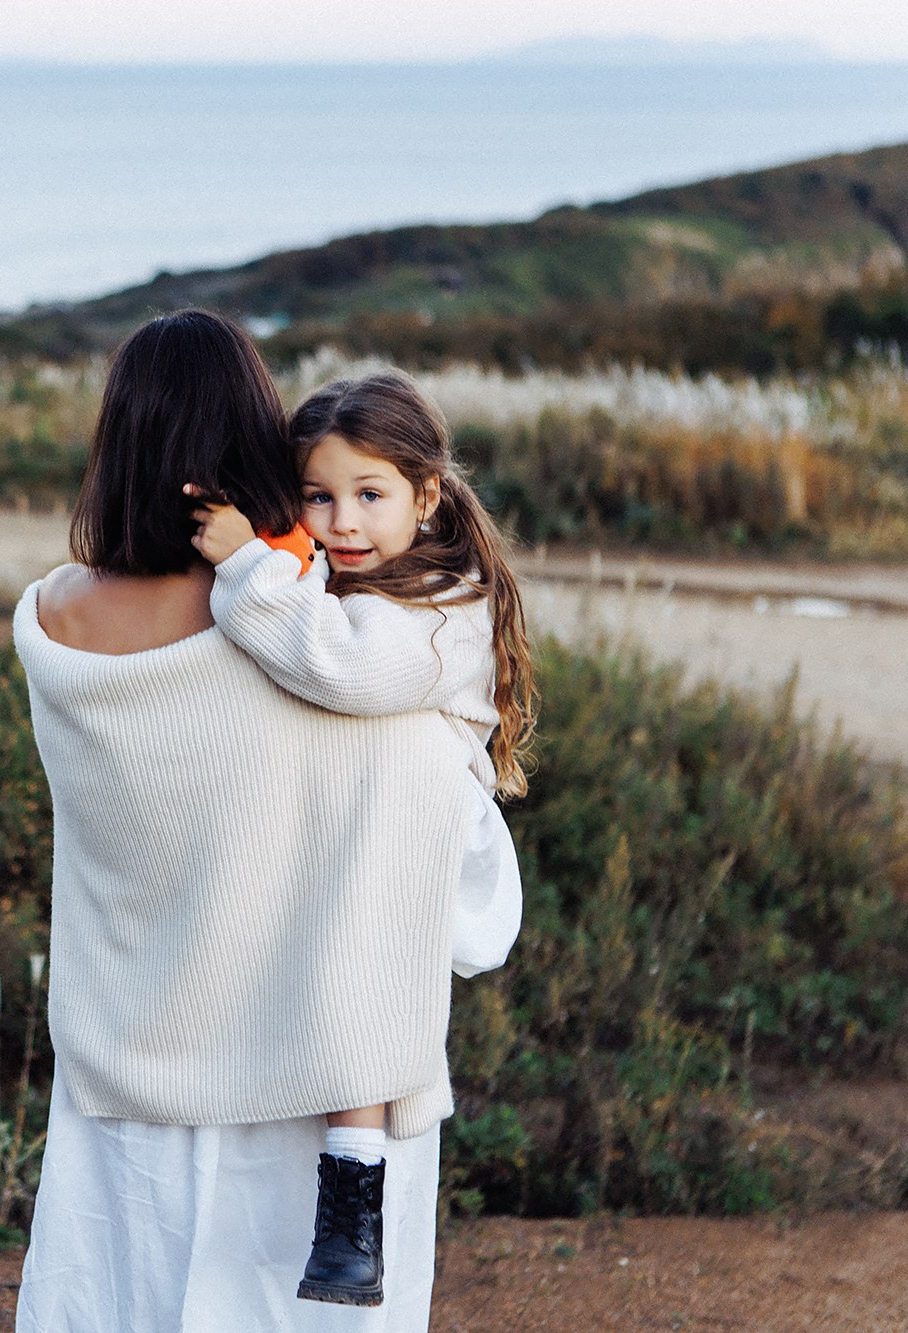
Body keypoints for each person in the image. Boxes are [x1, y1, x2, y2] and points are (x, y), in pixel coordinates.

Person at [13, 312, 521, 1331]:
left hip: (130, 1057)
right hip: (315, 1075)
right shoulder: (322, 642)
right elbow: (465, 893)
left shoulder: (50, 615)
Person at [184, 370, 535, 1305]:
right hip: (365, 827)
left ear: (426, 495)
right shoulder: (358, 573)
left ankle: (353, 1200)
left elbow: (344, 669)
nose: (344, 521)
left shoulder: (444, 605)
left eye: (370, 496)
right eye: (319, 496)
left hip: (419, 837)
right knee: (338, 962)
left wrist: (245, 566)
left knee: (363, 976)